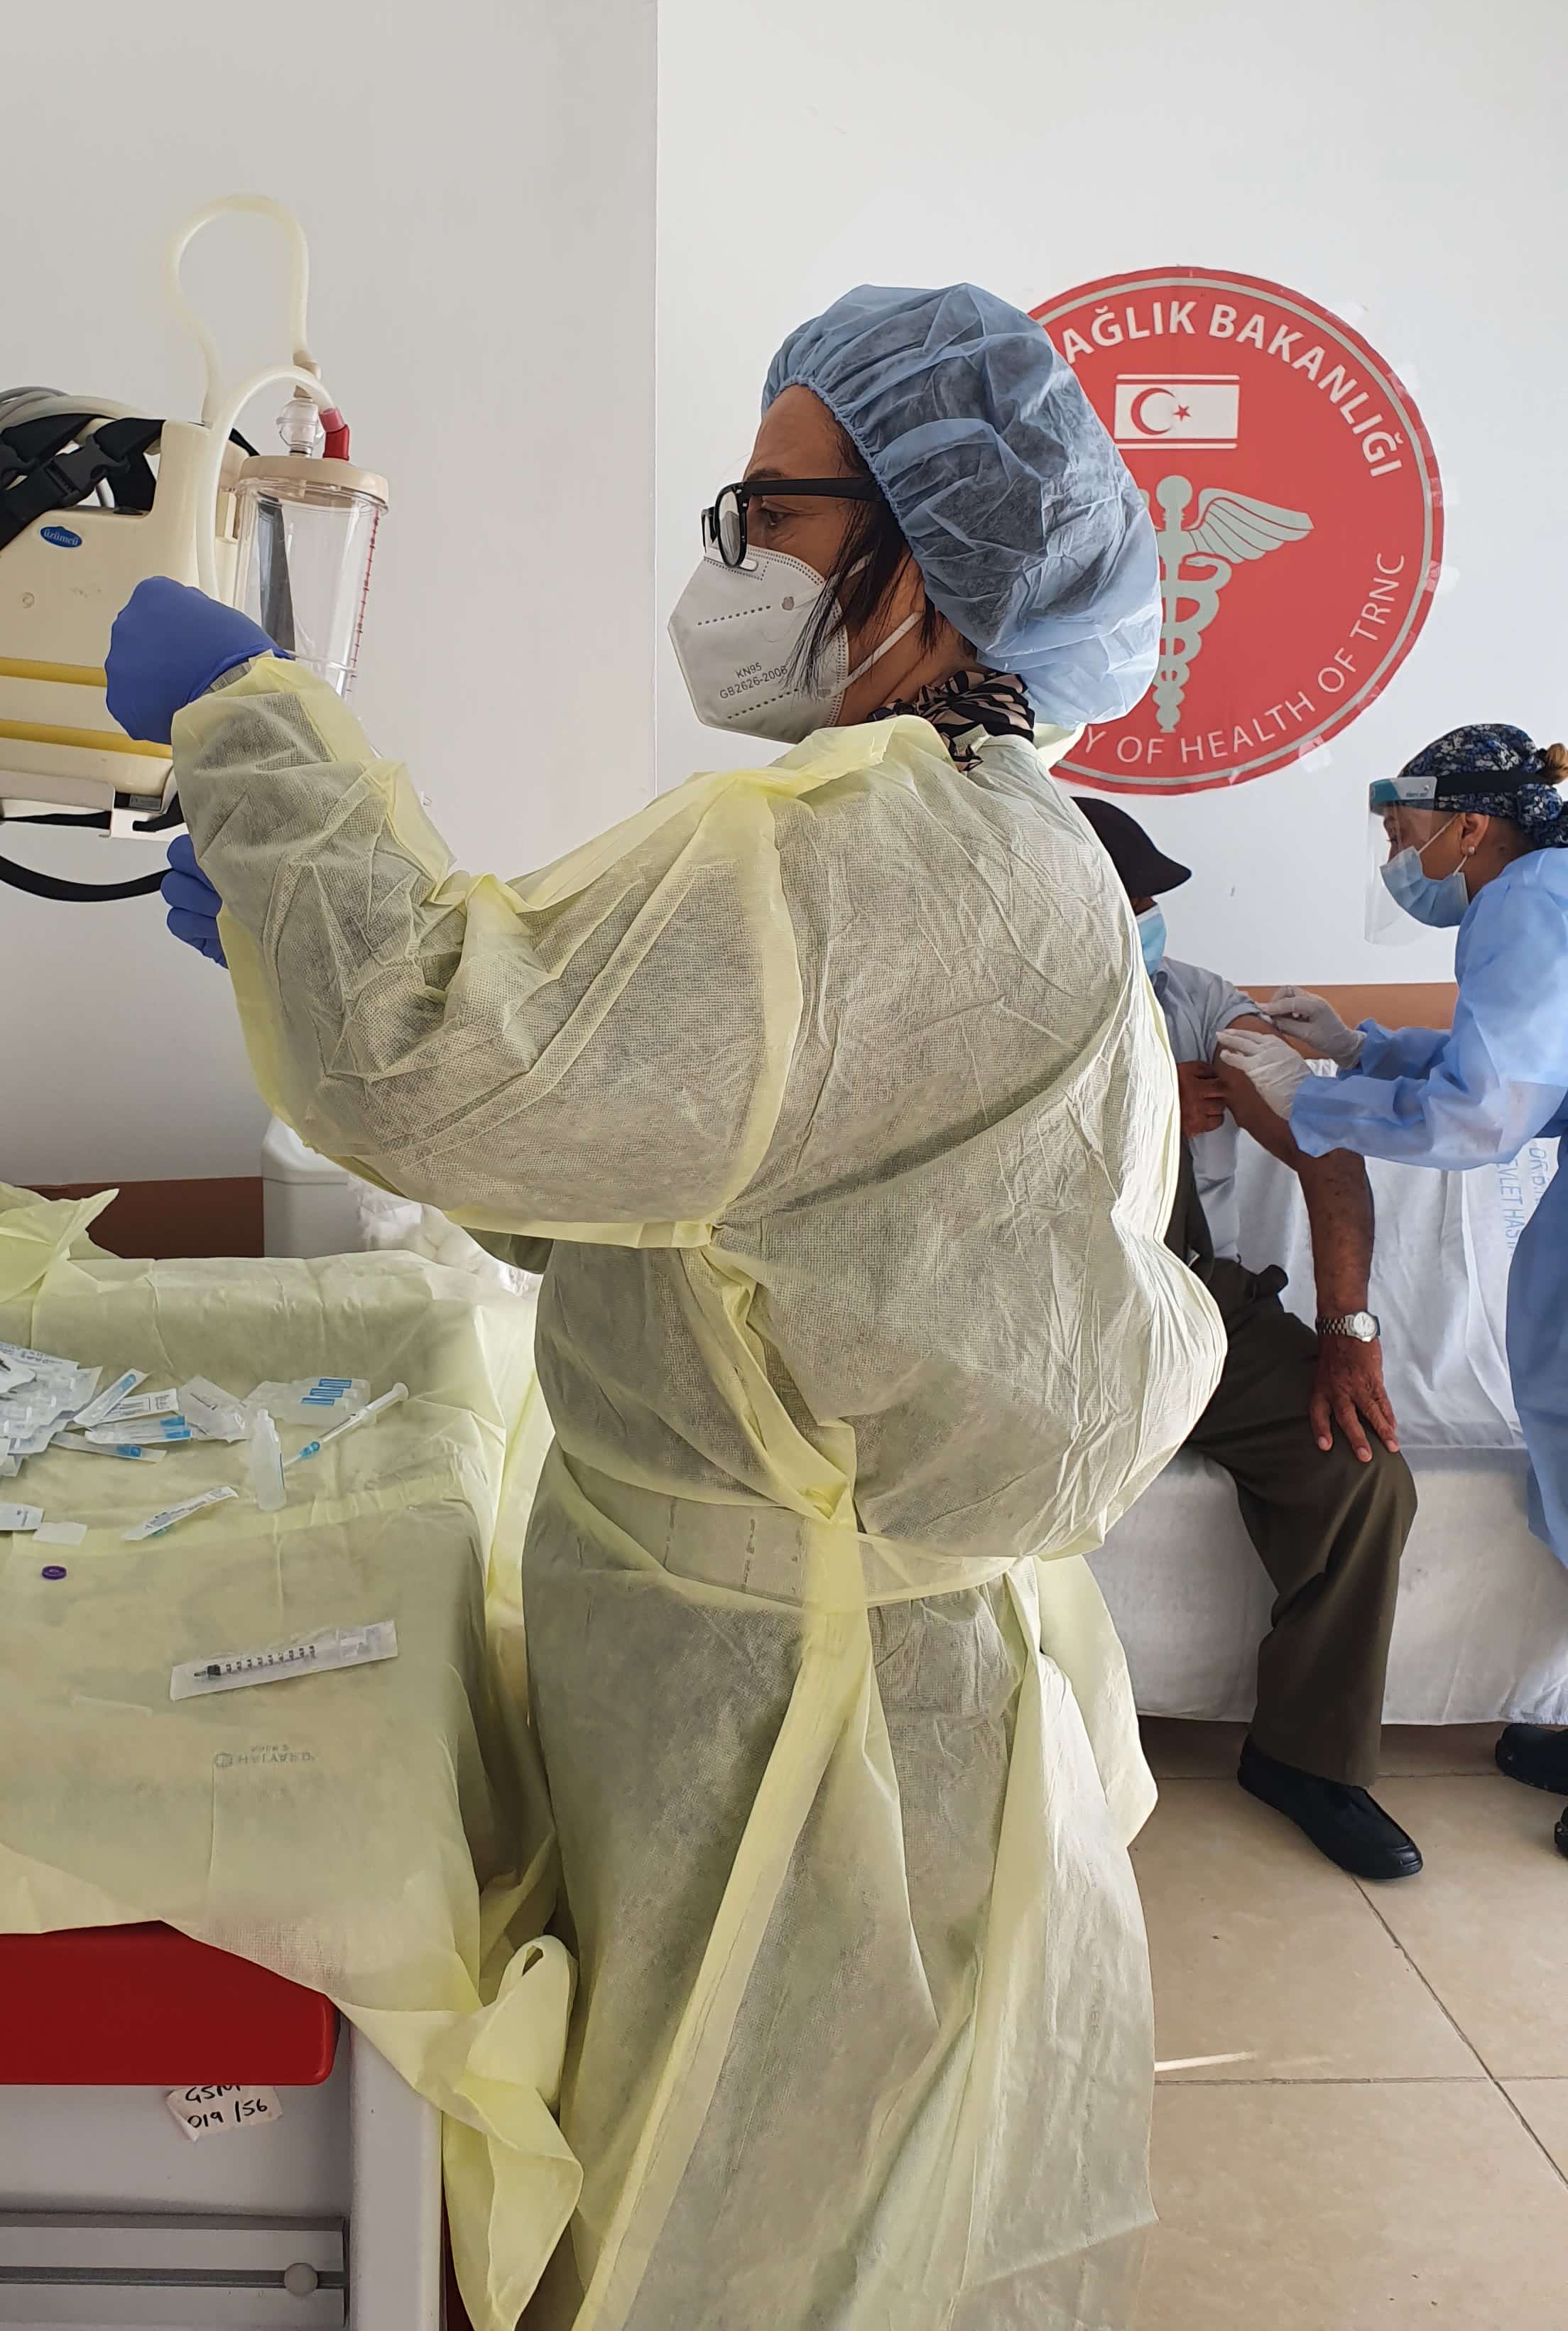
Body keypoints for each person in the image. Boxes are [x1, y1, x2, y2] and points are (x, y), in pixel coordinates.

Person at [106, 282, 1224, 2331]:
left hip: (811, 1720)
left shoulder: (859, 867)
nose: (733, 561)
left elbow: (436, 1067)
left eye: (771, 512)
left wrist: (258, 734)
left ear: (929, 558)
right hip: (811, 1667)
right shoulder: (971, 842)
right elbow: (706, 1203)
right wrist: (295, 945)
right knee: (797, 2195)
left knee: (752, 2233)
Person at [1219, 724, 1568, 1862]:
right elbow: (1524, 1075)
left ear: (1470, 825)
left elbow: (1483, 1116)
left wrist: (1310, 1105)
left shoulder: (1528, 903)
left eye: (1402, 833)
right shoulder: (1547, 896)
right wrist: (1359, 1050)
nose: (1396, 859)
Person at [1074, 798, 1419, 1879]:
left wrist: (1347, 1331)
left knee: (1357, 1470)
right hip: (1040, 1300)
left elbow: (1319, 1144)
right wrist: (1133, 1114)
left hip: (1190, 1294)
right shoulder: (976, 1002)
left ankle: (1306, 1758)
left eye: (1150, 902)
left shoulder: (1192, 1001)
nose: (1146, 920)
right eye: (1124, 901)